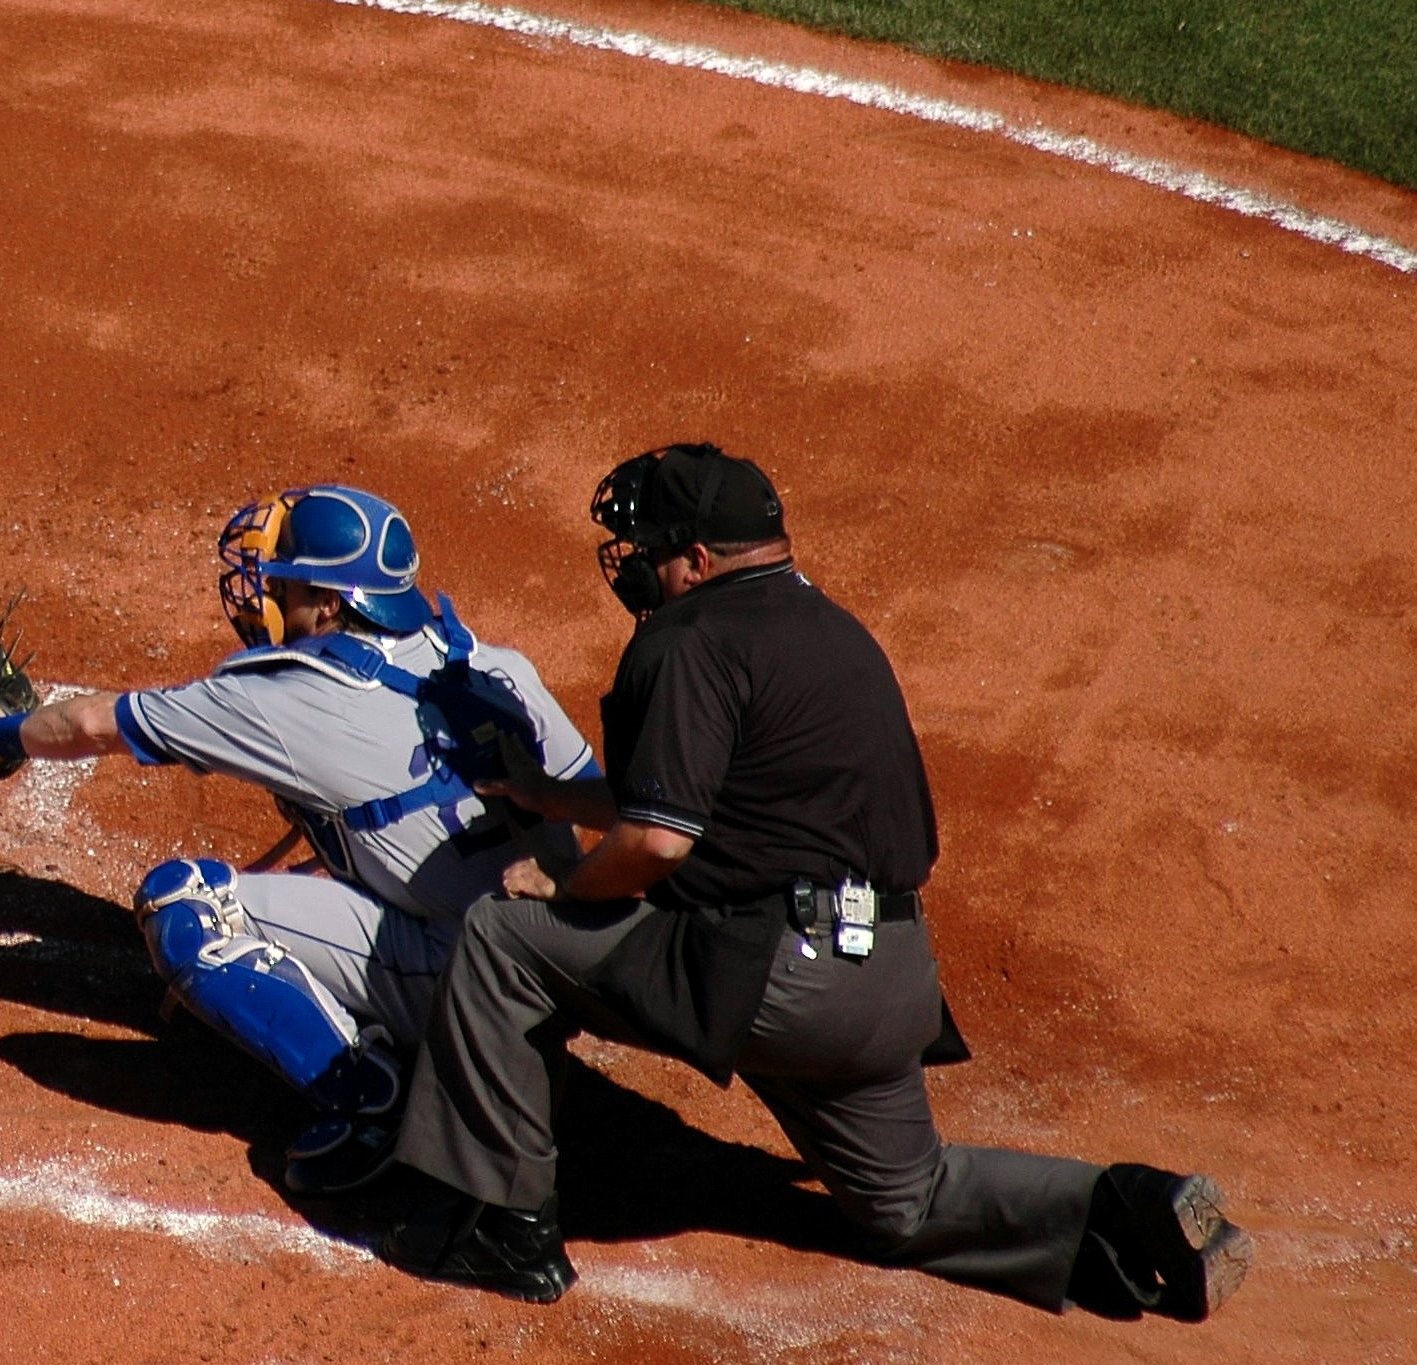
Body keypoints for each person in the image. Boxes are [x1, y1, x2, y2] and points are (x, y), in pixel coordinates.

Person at [370, 443, 1250, 1316]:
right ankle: (1127, 1206)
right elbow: (720, 803)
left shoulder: (686, 641)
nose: (639, 566)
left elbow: (655, 843)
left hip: (771, 980)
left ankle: (497, 1228)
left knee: (501, 936)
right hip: (888, 983)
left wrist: (564, 890)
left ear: (697, 560)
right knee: (904, 1204)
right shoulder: (832, 630)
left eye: (650, 550)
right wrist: (550, 793)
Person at [0, 485, 598, 1192]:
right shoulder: (497, 665)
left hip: (477, 986)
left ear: (329, 605)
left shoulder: (283, 697)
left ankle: (373, 1101)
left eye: (284, 585)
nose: (265, 596)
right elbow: (601, 799)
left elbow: (94, 725)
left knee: (185, 907)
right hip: (568, 955)